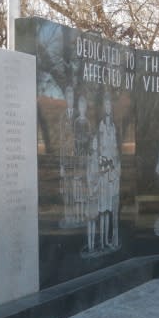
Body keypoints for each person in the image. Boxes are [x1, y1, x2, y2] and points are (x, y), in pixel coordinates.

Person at [97, 92, 120, 249]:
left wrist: (116, 165)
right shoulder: (102, 125)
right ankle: (103, 240)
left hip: (113, 170)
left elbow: (116, 148)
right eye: (106, 105)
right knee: (104, 207)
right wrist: (104, 165)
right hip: (104, 169)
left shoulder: (113, 126)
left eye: (110, 105)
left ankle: (113, 238)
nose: (108, 108)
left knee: (113, 206)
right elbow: (99, 148)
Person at [73, 95, 92, 223]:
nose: (82, 109)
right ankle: (78, 215)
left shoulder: (88, 123)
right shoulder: (76, 122)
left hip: (86, 157)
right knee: (78, 185)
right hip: (78, 157)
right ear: (78, 108)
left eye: (84, 106)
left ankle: (85, 215)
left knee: (86, 185)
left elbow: (89, 139)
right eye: (80, 106)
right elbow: (76, 140)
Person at [59, 86, 76, 225]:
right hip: (66, 159)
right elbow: (61, 141)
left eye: (72, 97)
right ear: (66, 99)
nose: (70, 100)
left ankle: (75, 217)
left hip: (76, 160)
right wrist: (61, 165)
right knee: (66, 189)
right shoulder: (63, 117)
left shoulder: (78, 116)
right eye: (68, 97)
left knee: (75, 189)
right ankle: (67, 216)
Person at [86, 136, 99, 252]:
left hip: (96, 192)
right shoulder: (90, 158)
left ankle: (93, 245)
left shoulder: (99, 159)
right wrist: (90, 188)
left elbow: (100, 176)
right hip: (90, 192)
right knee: (89, 220)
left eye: (96, 142)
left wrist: (97, 187)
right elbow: (88, 174)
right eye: (93, 142)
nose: (95, 144)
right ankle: (89, 244)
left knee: (94, 220)